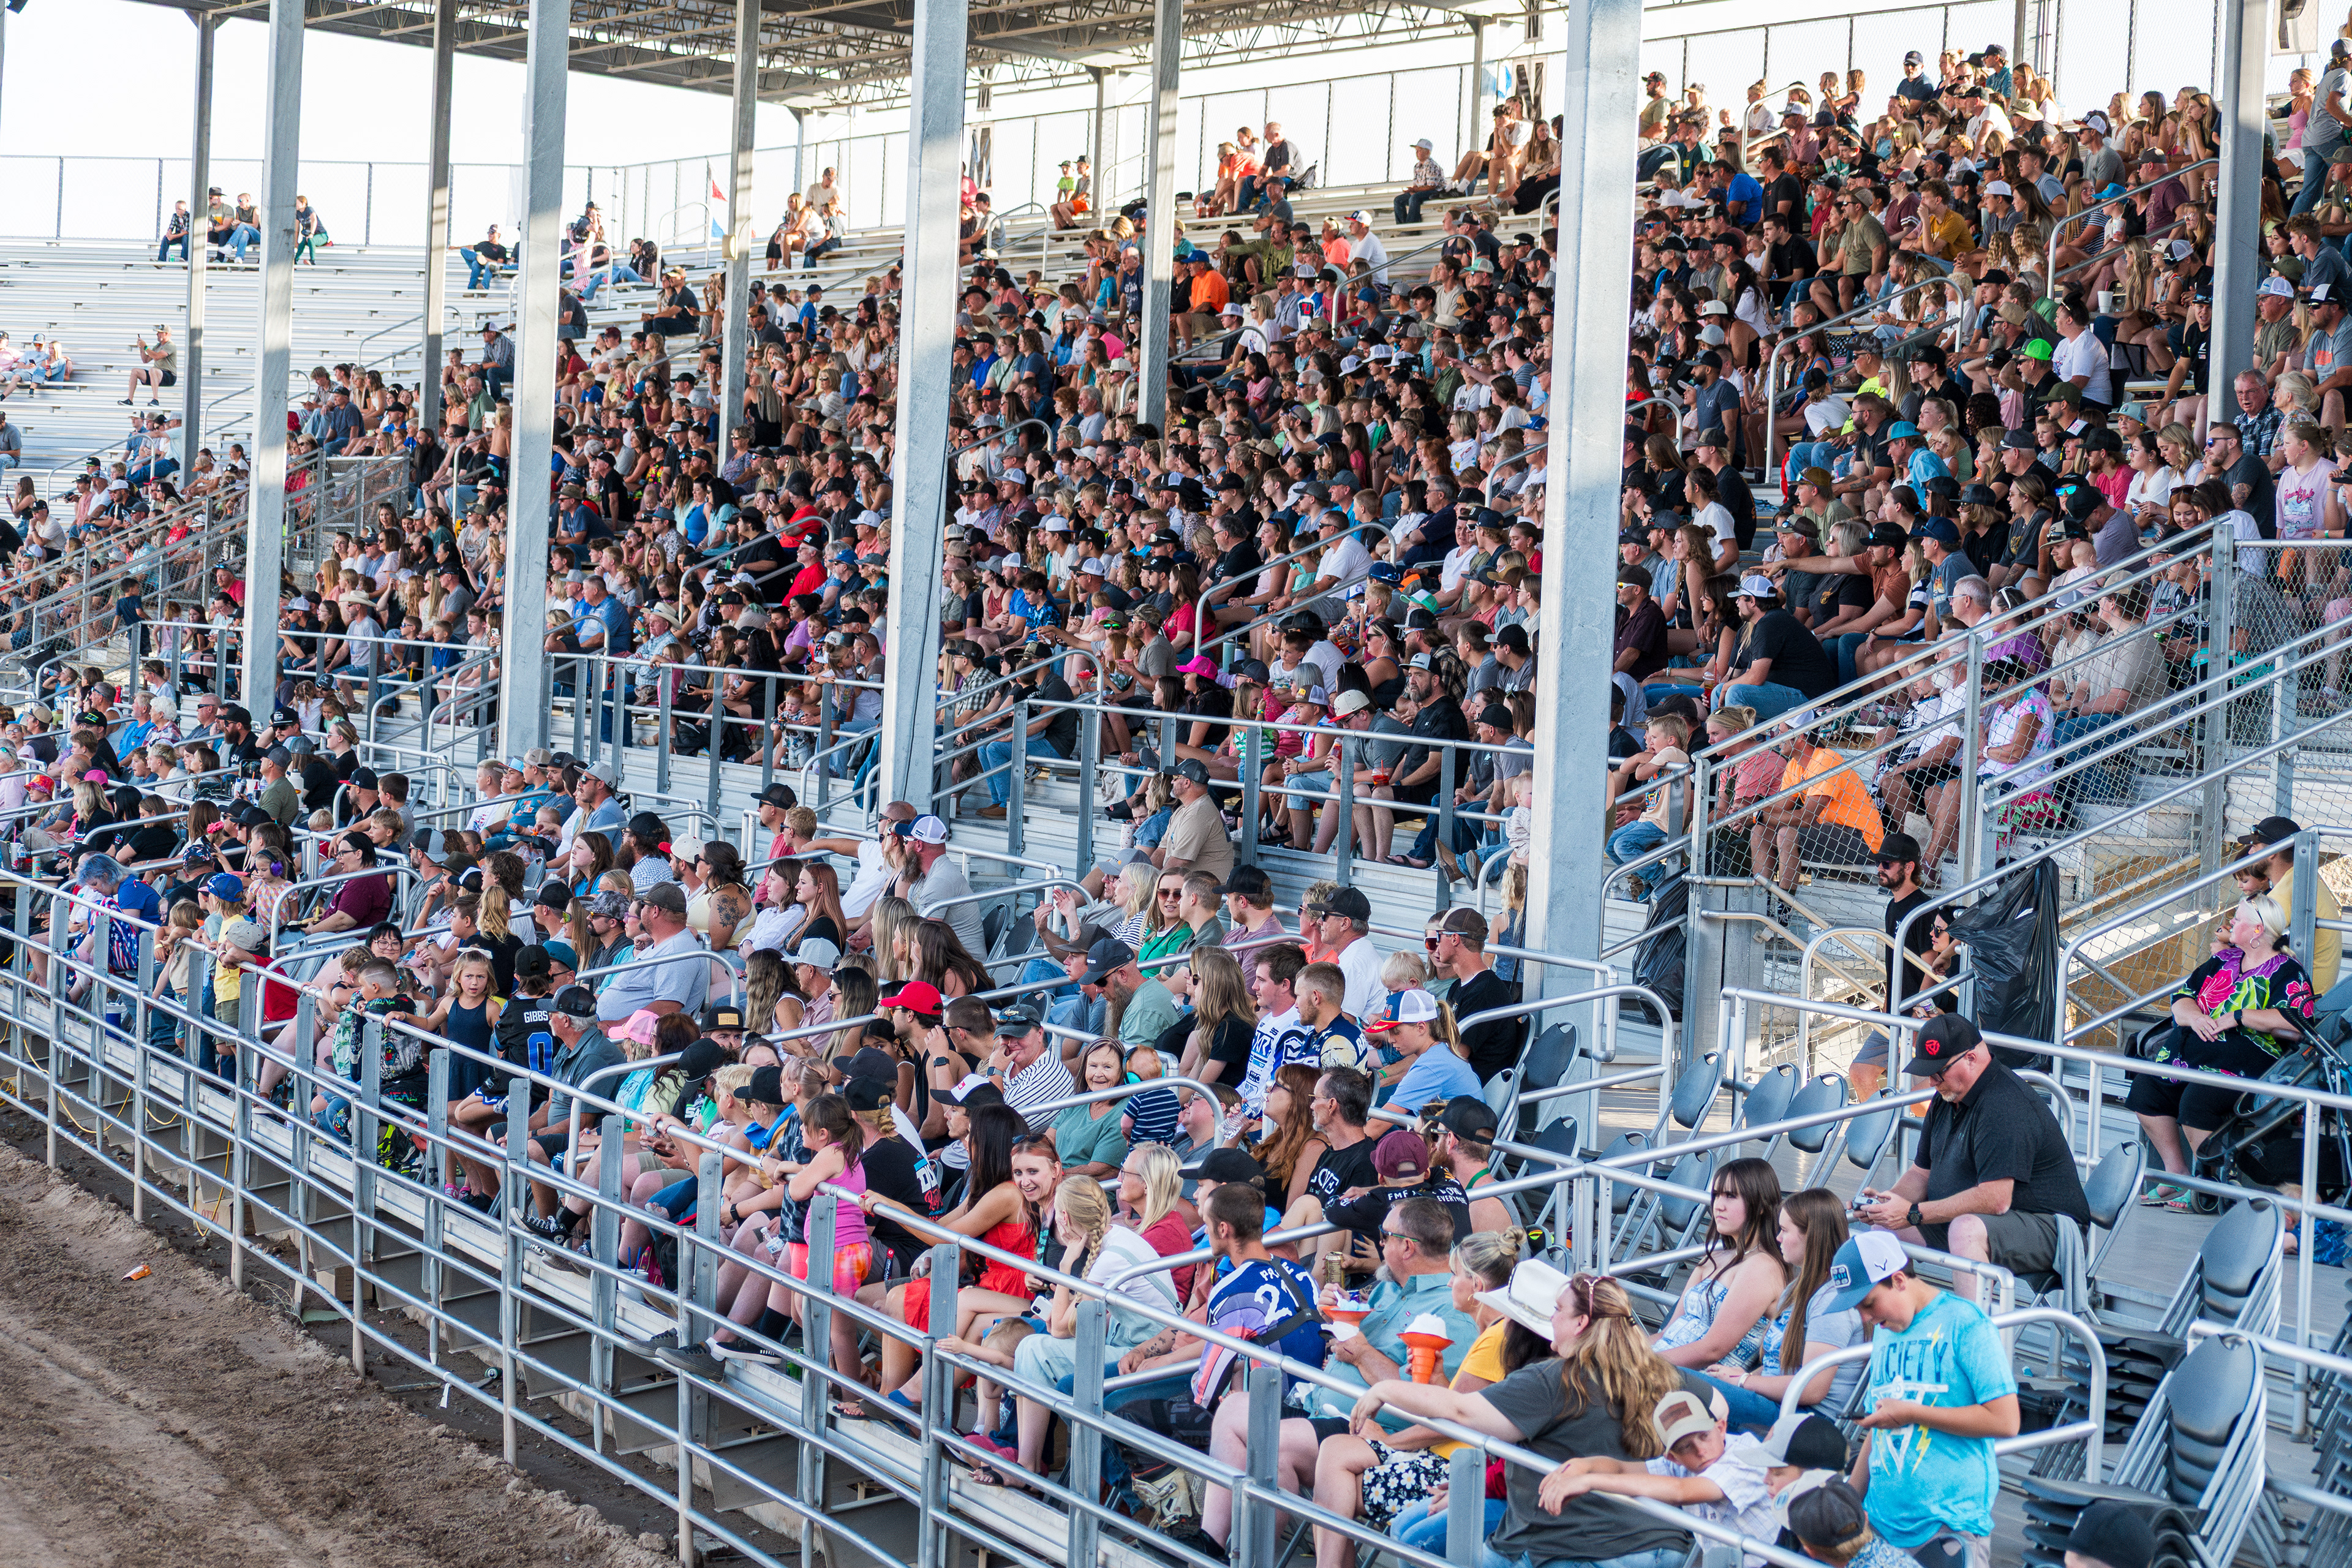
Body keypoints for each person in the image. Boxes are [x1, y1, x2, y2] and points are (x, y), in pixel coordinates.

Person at [1343, 1265, 1703, 1568]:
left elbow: (1461, 1410)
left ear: (1579, 1324)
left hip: (1579, 1548)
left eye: (1558, 1310)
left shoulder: (1554, 1379)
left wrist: (1385, 1390)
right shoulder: (1663, 1373)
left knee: (1420, 1545)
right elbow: (1723, 1410)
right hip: (1666, 1546)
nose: (1552, 1318)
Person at [1197, 1197, 1478, 1551]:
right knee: (1255, 1435)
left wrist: (1362, 1352)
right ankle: (1234, 1554)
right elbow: (1354, 1342)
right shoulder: (1389, 1289)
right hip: (1320, 1408)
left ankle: (1210, 1547)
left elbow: (1431, 1404)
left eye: (1385, 1235)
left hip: (1363, 1429)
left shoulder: (1451, 1314)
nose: (1379, 1242)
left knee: (1243, 1428)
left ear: (1406, 1247)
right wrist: (1337, 1314)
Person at [1852, 1014, 2091, 1300]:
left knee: (1965, 1230)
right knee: (1883, 1230)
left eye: (1940, 1071)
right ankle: (1905, 1326)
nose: (1933, 1081)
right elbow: (1920, 1174)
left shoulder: (2005, 1104)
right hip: (1973, 1219)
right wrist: (1885, 1205)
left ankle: (1971, 1337)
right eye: (1930, 1072)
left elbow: (1996, 1200)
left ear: (1972, 1058)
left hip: (2050, 1227)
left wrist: (1914, 1213)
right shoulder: (1947, 1096)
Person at [1825, 1230, 2018, 1568]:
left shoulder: (1966, 1323)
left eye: (1868, 1304)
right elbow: (1880, 1424)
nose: (1866, 1319)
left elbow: (2006, 1421)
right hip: (1880, 1524)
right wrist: (1852, 1499)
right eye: (1858, 1310)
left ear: (1898, 1279)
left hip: (1947, 1526)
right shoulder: (1888, 1328)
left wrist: (1913, 1412)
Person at [2128, 893, 2315, 1206]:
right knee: (2146, 1090)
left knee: (2197, 1101)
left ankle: (2208, 1183)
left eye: (2238, 919)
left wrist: (2240, 1016)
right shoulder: (2223, 960)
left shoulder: (2287, 970)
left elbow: (2299, 1021)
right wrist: (2197, 1018)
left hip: (2248, 1064)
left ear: (2257, 931)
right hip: (2193, 1055)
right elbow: (2183, 998)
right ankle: (2178, 1175)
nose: (2231, 923)